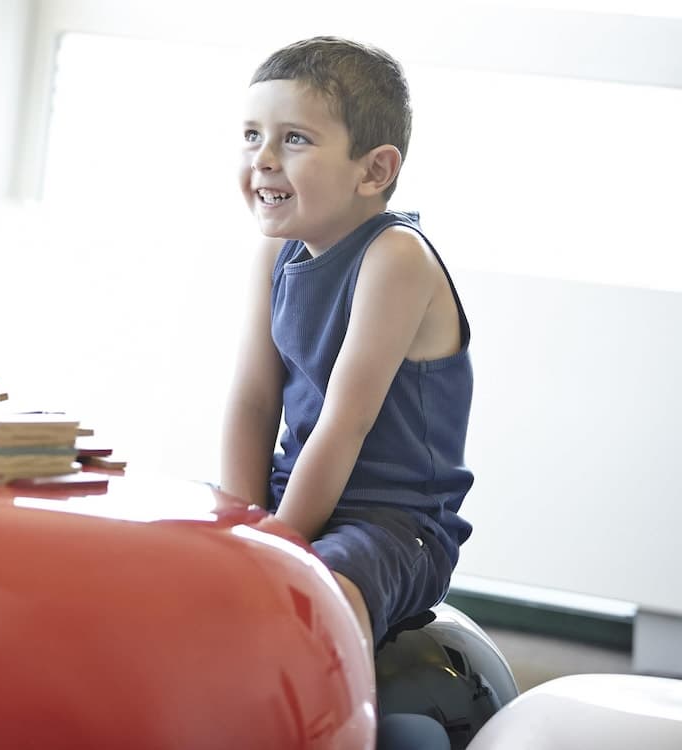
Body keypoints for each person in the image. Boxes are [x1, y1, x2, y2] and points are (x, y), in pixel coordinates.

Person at [221, 36, 474, 673]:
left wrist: (278, 544)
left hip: (393, 524)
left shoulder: (396, 257)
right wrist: (240, 522)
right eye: (251, 136)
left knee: (322, 595)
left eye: (294, 139)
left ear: (374, 171)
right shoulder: (274, 254)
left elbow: (345, 422)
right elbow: (252, 400)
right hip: (294, 493)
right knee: (173, 544)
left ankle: (332, 709)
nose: (264, 159)